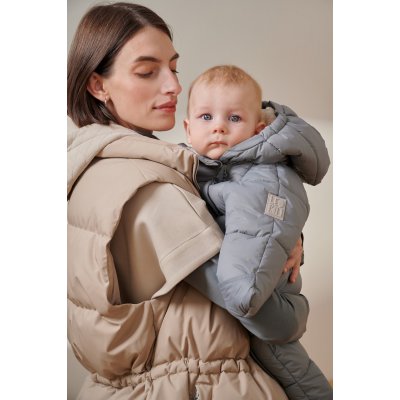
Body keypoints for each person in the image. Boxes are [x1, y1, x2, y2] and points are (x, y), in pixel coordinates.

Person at [67, 3, 323, 399]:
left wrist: (285, 234)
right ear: (98, 86)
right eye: (147, 72)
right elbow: (262, 313)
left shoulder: (95, 164)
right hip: (203, 387)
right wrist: (296, 308)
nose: (173, 86)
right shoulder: (150, 187)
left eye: (173, 68)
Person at [182, 65, 333, 399]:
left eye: (234, 118)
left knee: (294, 370)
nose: (219, 126)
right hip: (248, 297)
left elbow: (263, 223)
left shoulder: (264, 174)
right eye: (206, 117)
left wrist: (241, 288)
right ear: (188, 128)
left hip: (263, 292)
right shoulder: (200, 167)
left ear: (257, 130)